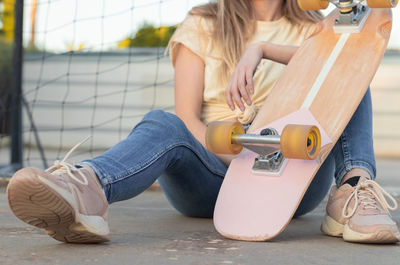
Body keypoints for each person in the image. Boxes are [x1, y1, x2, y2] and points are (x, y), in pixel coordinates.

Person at [7, 0, 399, 244]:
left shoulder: (317, 24)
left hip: (294, 176)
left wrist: (259, 49)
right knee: (164, 121)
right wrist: (239, 160)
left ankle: (353, 190)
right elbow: (188, 117)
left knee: (350, 72)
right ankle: (87, 188)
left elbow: (340, 63)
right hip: (212, 173)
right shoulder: (203, 23)